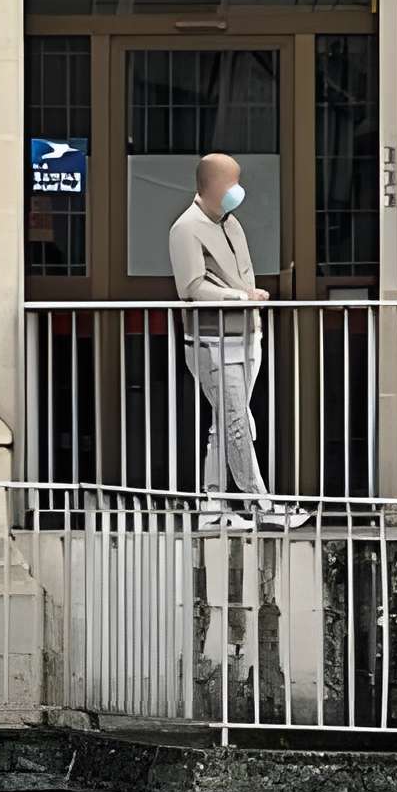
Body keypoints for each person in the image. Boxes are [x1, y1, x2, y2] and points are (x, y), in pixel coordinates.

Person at [166, 153, 307, 531]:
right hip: (213, 342)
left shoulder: (232, 224)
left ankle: (213, 506)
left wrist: (248, 296)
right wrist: (240, 298)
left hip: (246, 336)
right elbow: (192, 287)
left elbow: (238, 275)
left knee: (225, 422)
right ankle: (261, 504)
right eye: (230, 182)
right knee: (236, 422)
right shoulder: (186, 228)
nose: (236, 190)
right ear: (209, 185)